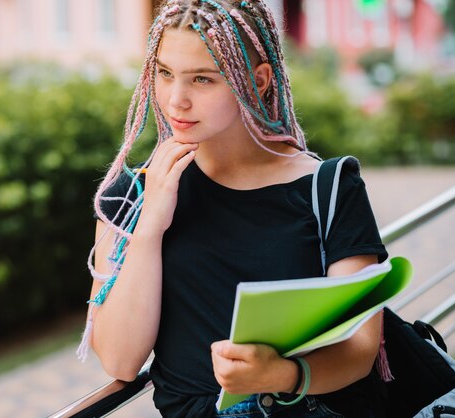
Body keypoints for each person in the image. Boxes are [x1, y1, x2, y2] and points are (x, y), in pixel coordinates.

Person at [77, 1, 389, 417]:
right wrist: (151, 224)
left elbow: (362, 350)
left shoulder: (329, 188)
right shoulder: (130, 193)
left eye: (202, 79)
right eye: (165, 73)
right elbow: (119, 360)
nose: (176, 100)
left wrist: (281, 375)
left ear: (259, 80)